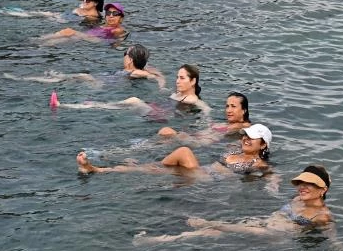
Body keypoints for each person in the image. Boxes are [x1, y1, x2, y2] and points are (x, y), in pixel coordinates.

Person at [133, 165, 332, 245]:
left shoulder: (322, 216)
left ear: (322, 189)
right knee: (211, 233)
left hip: (275, 235)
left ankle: (210, 223)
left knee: (215, 226)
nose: (302, 187)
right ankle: (161, 240)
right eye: (301, 183)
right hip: (263, 224)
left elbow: (331, 235)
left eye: (310, 184)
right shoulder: (297, 200)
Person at [76, 123, 272, 176]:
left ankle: (99, 167)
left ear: (263, 144)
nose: (246, 139)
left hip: (209, 179)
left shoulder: (259, 164)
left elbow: (271, 176)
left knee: (184, 151)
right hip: (202, 171)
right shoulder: (233, 151)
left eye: (252, 138)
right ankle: (96, 169)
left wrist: (273, 185)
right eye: (245, 135)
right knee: (149, 168)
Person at [52, 63, 208, 115]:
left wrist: (208, 127)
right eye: (177, 77)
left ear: (193, 81)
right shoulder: (177, 94)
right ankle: (81, 105)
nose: (178, 81)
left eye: (182, 78)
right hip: (156, 109)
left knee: (133, 100)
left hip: (159, 116)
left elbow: (206, 109)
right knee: (125, 104)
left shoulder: (192, 99)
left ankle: (92, 105)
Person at [4, 43, 165, 89]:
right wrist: (161, 84)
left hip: (101, 83)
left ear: (130, 60)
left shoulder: (136, 72)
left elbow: (148, 75)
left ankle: (25, 79)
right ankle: (48, 78)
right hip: (105, 79)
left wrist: (157, 82)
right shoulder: (143, 67)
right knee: (70, 79)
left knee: (82, 76)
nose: (123, 56)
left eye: (125, 53)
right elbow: (155, 73)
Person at [157, 91, 250, 139]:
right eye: (227, 106)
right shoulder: (230, 124)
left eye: (233, 106)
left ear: (243, 110)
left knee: (165, 131)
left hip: (196, 143)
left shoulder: (244, 126)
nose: (228, 110)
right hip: (192, 137)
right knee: (164, 132)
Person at [39, 1, 128, 44]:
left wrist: (76, 33)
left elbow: (101, 41)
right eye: (108, 13)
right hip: (81, 37)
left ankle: (36, 41)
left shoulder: (117, 30)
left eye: (115, 13)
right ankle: (36, 42)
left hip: (85, 39)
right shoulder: (104, 25)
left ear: (121, 18)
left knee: (66, 33)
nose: (111, 16)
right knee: (49, 42)